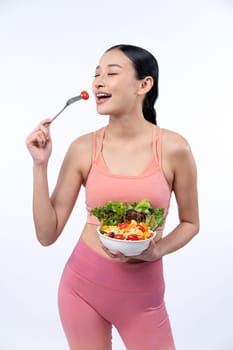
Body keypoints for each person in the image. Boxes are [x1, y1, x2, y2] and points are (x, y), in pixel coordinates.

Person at [26, 44, 199, 350]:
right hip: (80, 290)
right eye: (96, 74)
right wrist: (40, 165)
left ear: (143, 85)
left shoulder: (174, 148)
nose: (98, 81)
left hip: (143, 298)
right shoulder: (83, 148)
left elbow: (190, 222)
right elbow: (46, 233)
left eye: (111, 73)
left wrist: (157, 250)